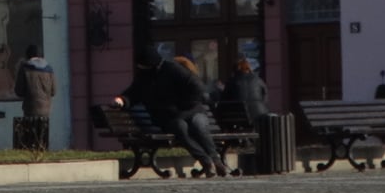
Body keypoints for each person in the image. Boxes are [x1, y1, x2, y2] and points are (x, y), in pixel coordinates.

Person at [114, 44, 230, 177]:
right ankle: (206, 161)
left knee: (198, 125)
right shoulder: (143, 78)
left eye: (141, 65)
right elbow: (133, 93)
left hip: (191, 110)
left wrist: (185, 105)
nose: (139, 67)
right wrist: (122, 100)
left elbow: (196, 86)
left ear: (149, 63)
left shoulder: (172, 69)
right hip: (168, 118)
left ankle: (215, 160)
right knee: (180, 128)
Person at [13, 43, 56, 151]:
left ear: (28, 55)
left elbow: (19, 91)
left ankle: (31, 151)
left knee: (30, 134)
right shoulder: (49, 69)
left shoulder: (25, 68)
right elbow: (54, 91)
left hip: (30, 108)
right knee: (42, 133)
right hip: (46, 109)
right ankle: (43, 150)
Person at [231, 58, 270, 127]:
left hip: (238, 118)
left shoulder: (232, 82)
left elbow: (224, 100)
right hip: (260, 115)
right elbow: (265, 97)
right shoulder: (258, 80)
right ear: (249, 68)